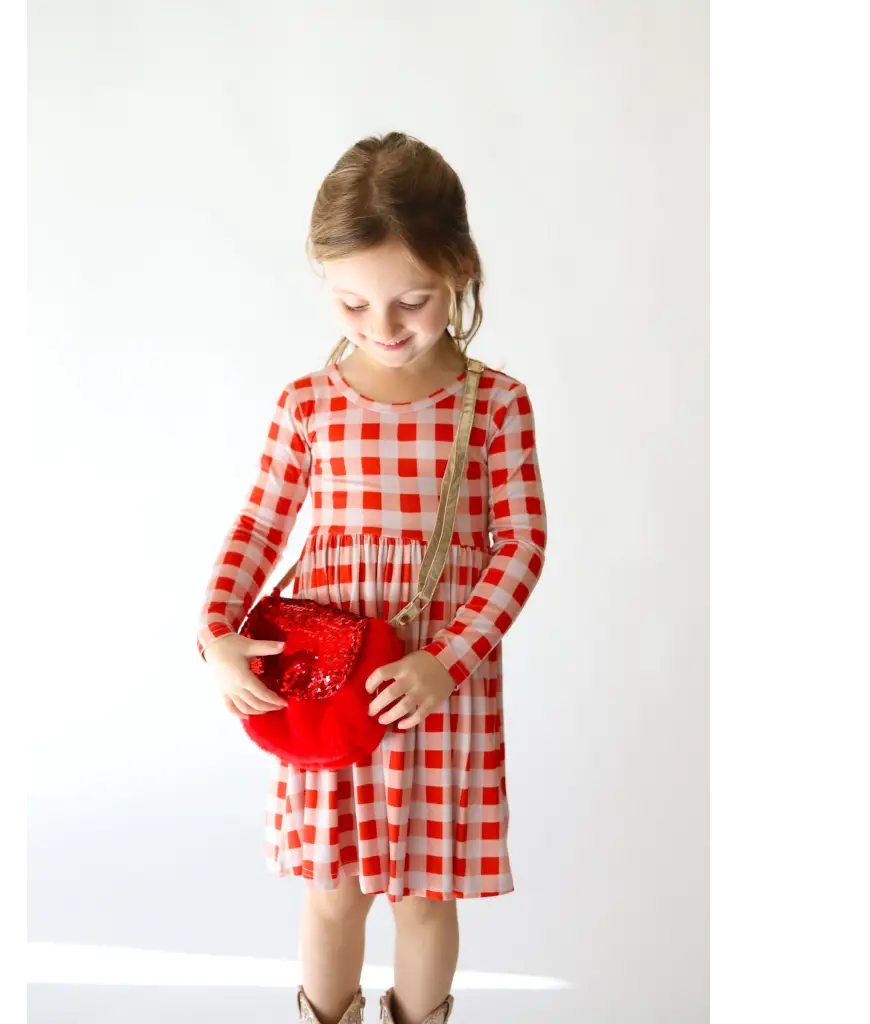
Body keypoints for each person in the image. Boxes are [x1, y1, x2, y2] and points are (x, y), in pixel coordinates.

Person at [197, 132, 547, 1024]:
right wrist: (218, 635)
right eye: (353, 304)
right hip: (326, 682)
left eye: (412, 301)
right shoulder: (306, 404)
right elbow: (259, 524)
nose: (383, 329)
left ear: (461, 270)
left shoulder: (495, 404)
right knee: (331, 886)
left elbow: (520, 547)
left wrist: (447, 660)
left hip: (433, 690)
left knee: (425, 894)